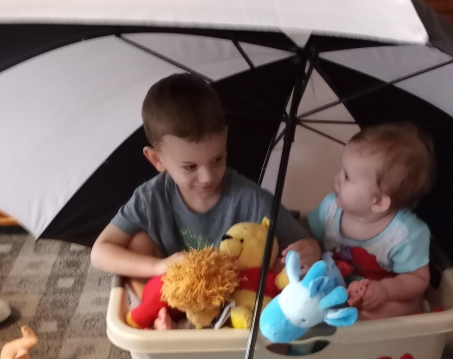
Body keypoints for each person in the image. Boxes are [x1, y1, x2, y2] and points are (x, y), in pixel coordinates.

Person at [91, 73, 320, 328]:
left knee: (281, 266)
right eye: (190, 167)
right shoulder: (151, 197)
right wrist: (159, 266)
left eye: (217, 159)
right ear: (157, 160)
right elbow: (100, 252)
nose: (208, 176)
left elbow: (304, 246)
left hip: (236, 307)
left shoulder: (253, 200)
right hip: (174, 298)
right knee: (136, 241)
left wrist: (311, 249)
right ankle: (155, 316)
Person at [307, 122, 435, 320]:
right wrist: (308, 248)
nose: (336, 177)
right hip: (334, 286)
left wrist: (385, 290)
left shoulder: (405, 234)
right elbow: (306, 233)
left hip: (381, 297)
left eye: (347, 176)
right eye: (342, 170)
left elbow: (417, 279)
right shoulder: (329, 209)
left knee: (386, 310)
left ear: (378, 201)